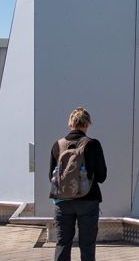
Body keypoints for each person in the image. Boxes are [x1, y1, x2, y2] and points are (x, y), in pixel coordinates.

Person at [49, 107, 108, 261]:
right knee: (87, 245)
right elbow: (102, 176)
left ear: (70, 123)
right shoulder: (93, 144)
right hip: (88, 200)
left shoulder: (57, 145)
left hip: (62, 202)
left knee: (62, 243)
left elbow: (51, 176)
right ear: (87, 124)